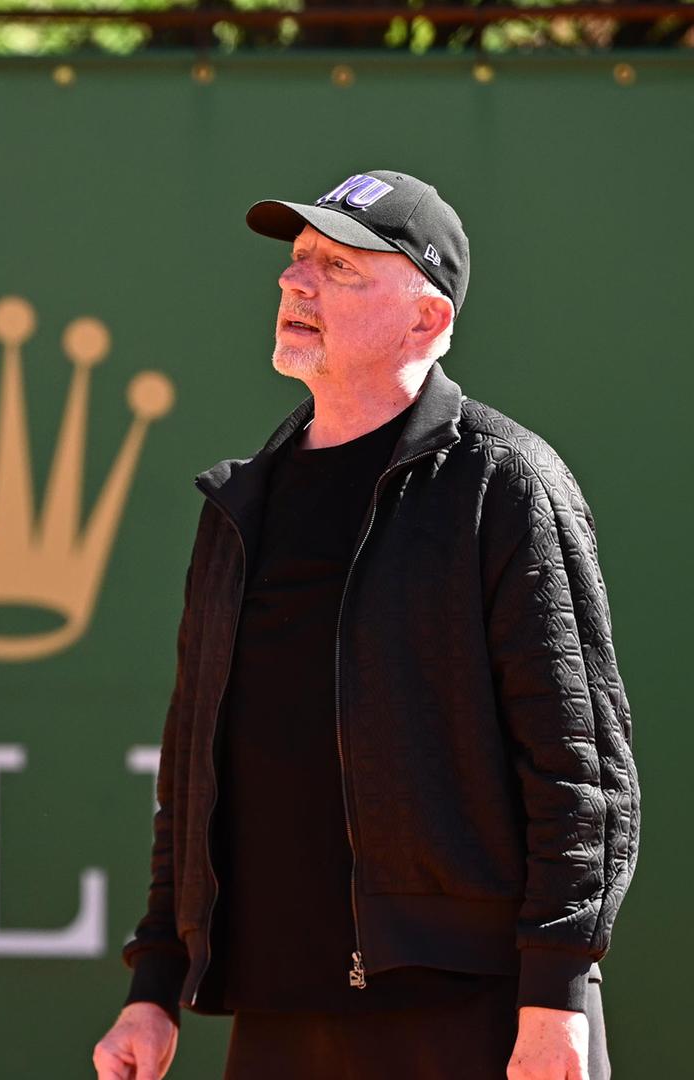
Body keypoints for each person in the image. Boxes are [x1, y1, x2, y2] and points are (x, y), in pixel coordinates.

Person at [92, 171, 638, 1080]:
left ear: (427, 320)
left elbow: (579, 767)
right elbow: (193, 766)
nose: (294, 282)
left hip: (471, 1014)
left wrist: (557, 995)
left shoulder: (504, 484)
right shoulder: (240, 506)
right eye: (297, 260)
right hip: (277, 1009)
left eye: (341, 268)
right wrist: (155, 983)